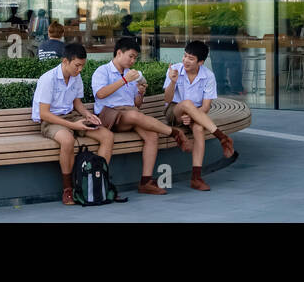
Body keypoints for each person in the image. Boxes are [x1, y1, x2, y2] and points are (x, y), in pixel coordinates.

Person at [92, 36, 191, 195]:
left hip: (129, 114)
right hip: (109, 116)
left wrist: (140, 93)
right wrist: (124, 80)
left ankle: (146, 182)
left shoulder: (132, 74)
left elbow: (137, 104)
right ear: (119, 53)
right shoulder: (102, 71)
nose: (133, 61)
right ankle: (174, 132)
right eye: (130, 56)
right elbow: (101, 94)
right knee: (135, 116)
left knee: (152, 135)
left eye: (135, 58)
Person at [33, 43, 119, 205]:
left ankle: (95, 179)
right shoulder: (48, 79)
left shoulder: (76, 77)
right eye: (77, 65)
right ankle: (68, 189)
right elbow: (44, 114)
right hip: (51, 120)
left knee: (107, 136)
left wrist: (88, 115)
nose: (80, 70)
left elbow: (76, 102)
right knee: (68, 140)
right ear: (65, 61)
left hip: (72, 117)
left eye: (82, 66)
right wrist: (74, 126)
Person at [162, 41, 236, 191]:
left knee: (199, 129)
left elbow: (206, 107)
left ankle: (196, 177)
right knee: (187, 103)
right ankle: (222, 137)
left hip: (197, 113)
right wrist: (172, 81)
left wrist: (192, 117)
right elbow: (167, 99)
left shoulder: (208, 76)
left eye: (191, 58)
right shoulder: (175, 70)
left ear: (200, 62)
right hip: (174, 111)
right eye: (185, 56)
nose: (185, 61)